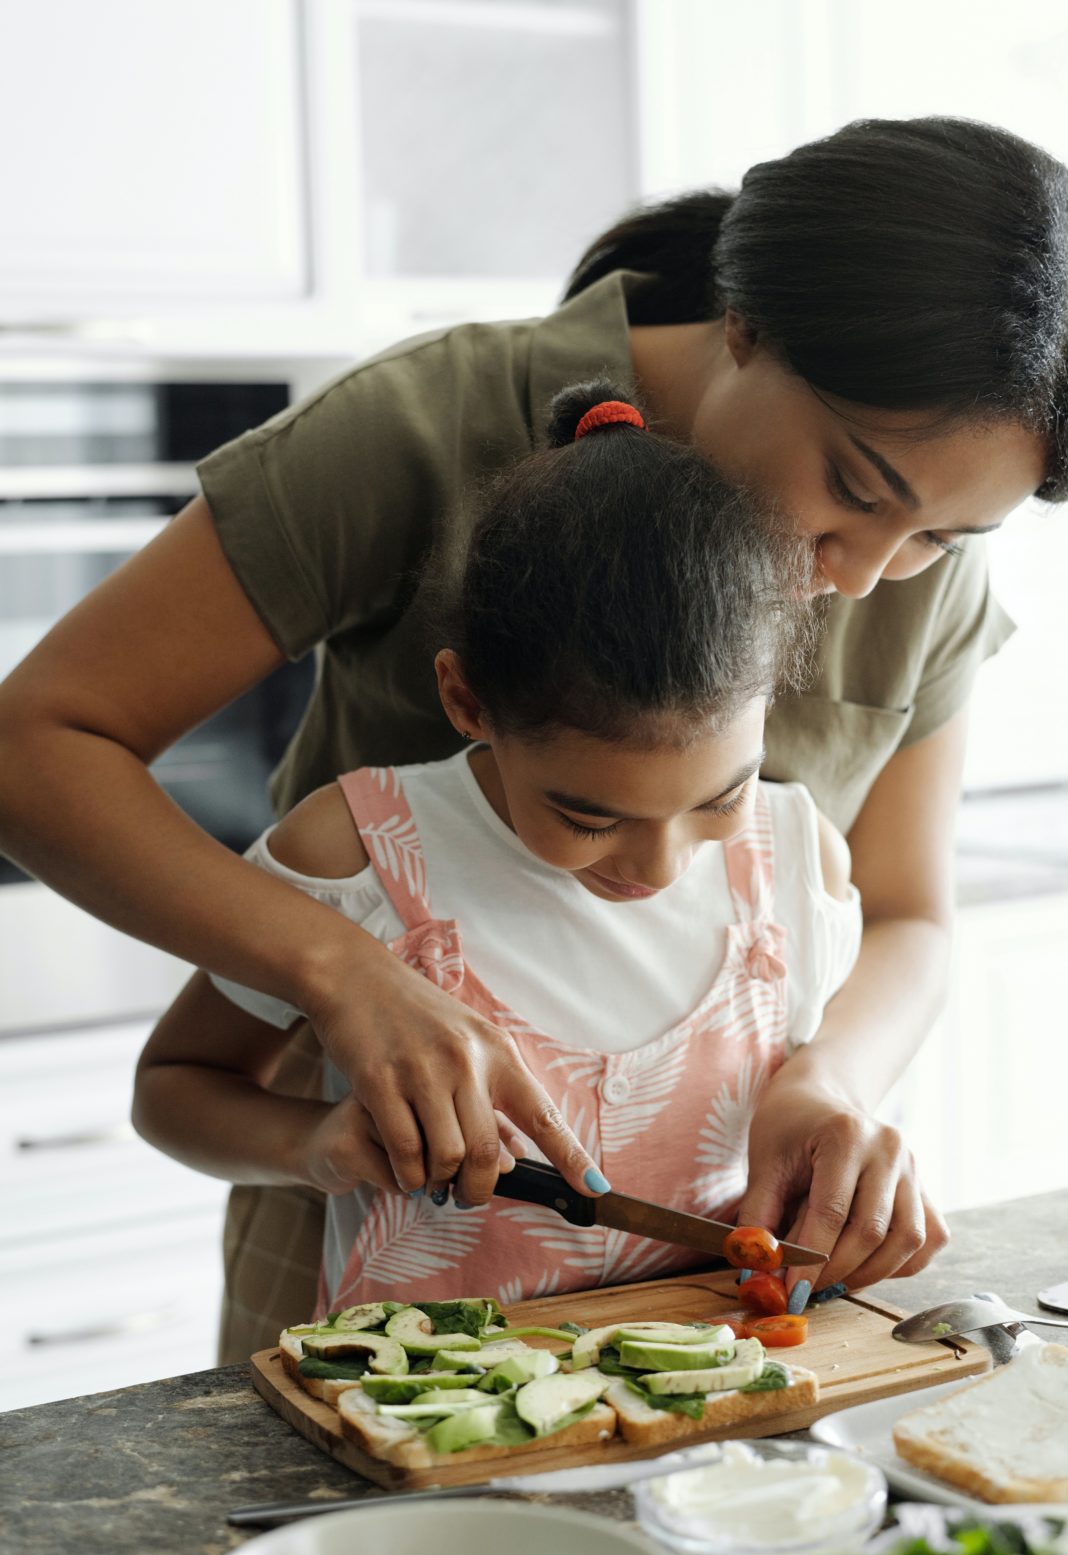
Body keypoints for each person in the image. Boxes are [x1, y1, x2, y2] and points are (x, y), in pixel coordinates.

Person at [0, 115, 1063, 1357]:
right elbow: (38, 742)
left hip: (707, 1299)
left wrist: (831, 1081)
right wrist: (340, 970)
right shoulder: (427, 424)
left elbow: (907, 915)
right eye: (858, 487)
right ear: (746, 325)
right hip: (375, 1260)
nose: (872, 575)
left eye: (945, 538)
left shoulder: (907, 572)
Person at [133, 382, 879, 1315]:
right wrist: (313, 1144)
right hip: (428, 1433)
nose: (656, 868)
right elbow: (172, 1088)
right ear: (468, 702)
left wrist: (846, 1156)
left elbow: (815, 1106)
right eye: (591, 817)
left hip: (709, 1434)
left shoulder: (798, 866)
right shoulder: (360, 854)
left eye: (719, 798)